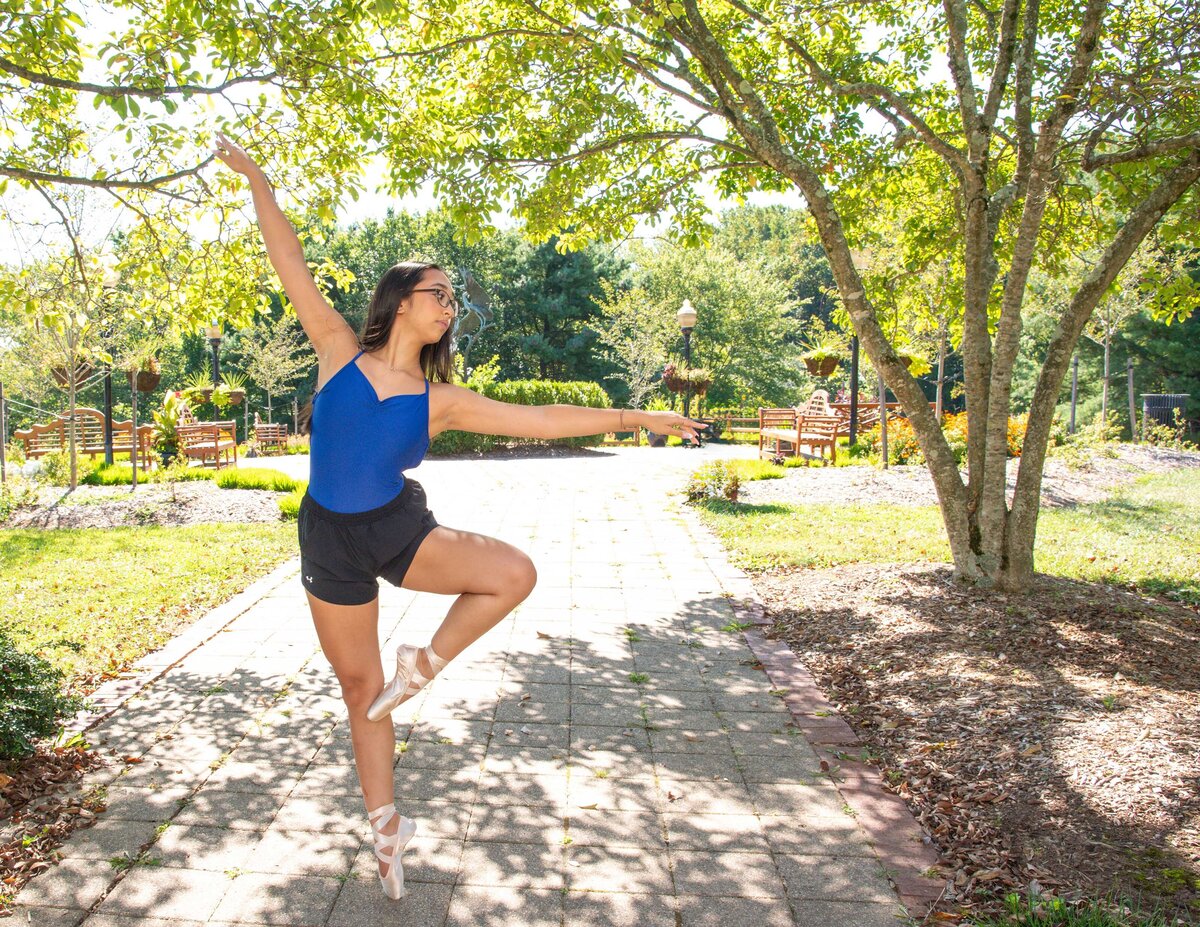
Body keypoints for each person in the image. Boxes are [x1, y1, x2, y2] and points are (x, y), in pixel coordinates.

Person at [213, 135, 706, 900]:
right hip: (327, 536)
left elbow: (541, 418)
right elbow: (290, 263)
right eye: (440, 293)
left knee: (512, 573)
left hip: (395, 528)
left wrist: (636, 414)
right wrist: (259, 180)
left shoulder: (438, 399)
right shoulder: (337, 351)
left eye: (453, 299)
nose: (451, 306)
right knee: (357, 685)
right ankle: (386, 828)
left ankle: (426, 663)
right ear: (402, 298)